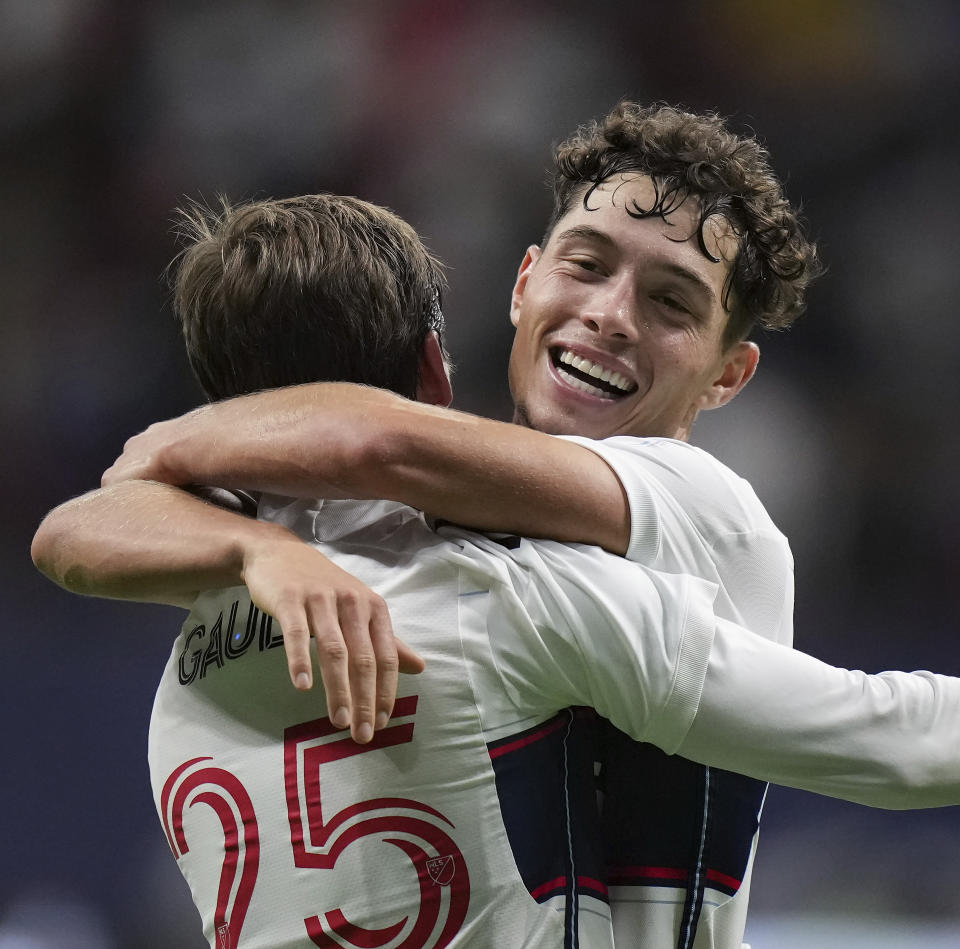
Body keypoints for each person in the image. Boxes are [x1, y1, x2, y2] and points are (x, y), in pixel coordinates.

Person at [30, 185, 960, 949]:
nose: (609, 315)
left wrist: (228, 506)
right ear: (441, 364)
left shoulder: (184, 655)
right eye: (587, 265)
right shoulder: (517, 590)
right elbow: (897, 736)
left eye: (670, 301)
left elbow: (71, 536)